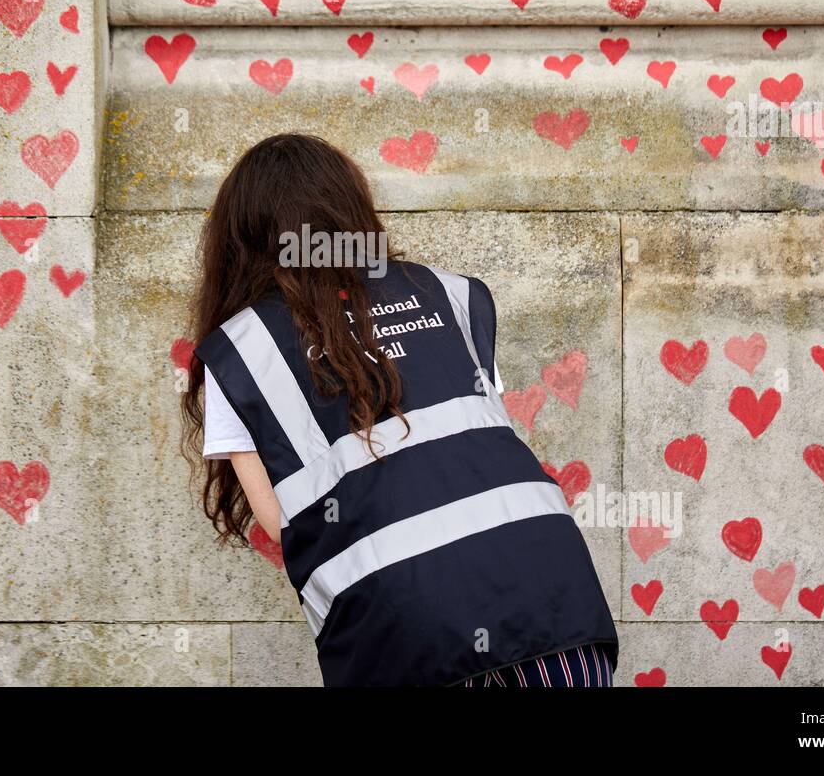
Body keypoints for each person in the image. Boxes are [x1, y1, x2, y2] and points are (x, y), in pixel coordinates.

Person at [181, 133, 618, 687]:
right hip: (555, 600)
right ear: (351, 209)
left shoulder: (240, 350)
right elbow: (479, 448)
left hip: (408, 630)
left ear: (240, 239)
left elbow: (282, 521)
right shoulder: (452, 295)